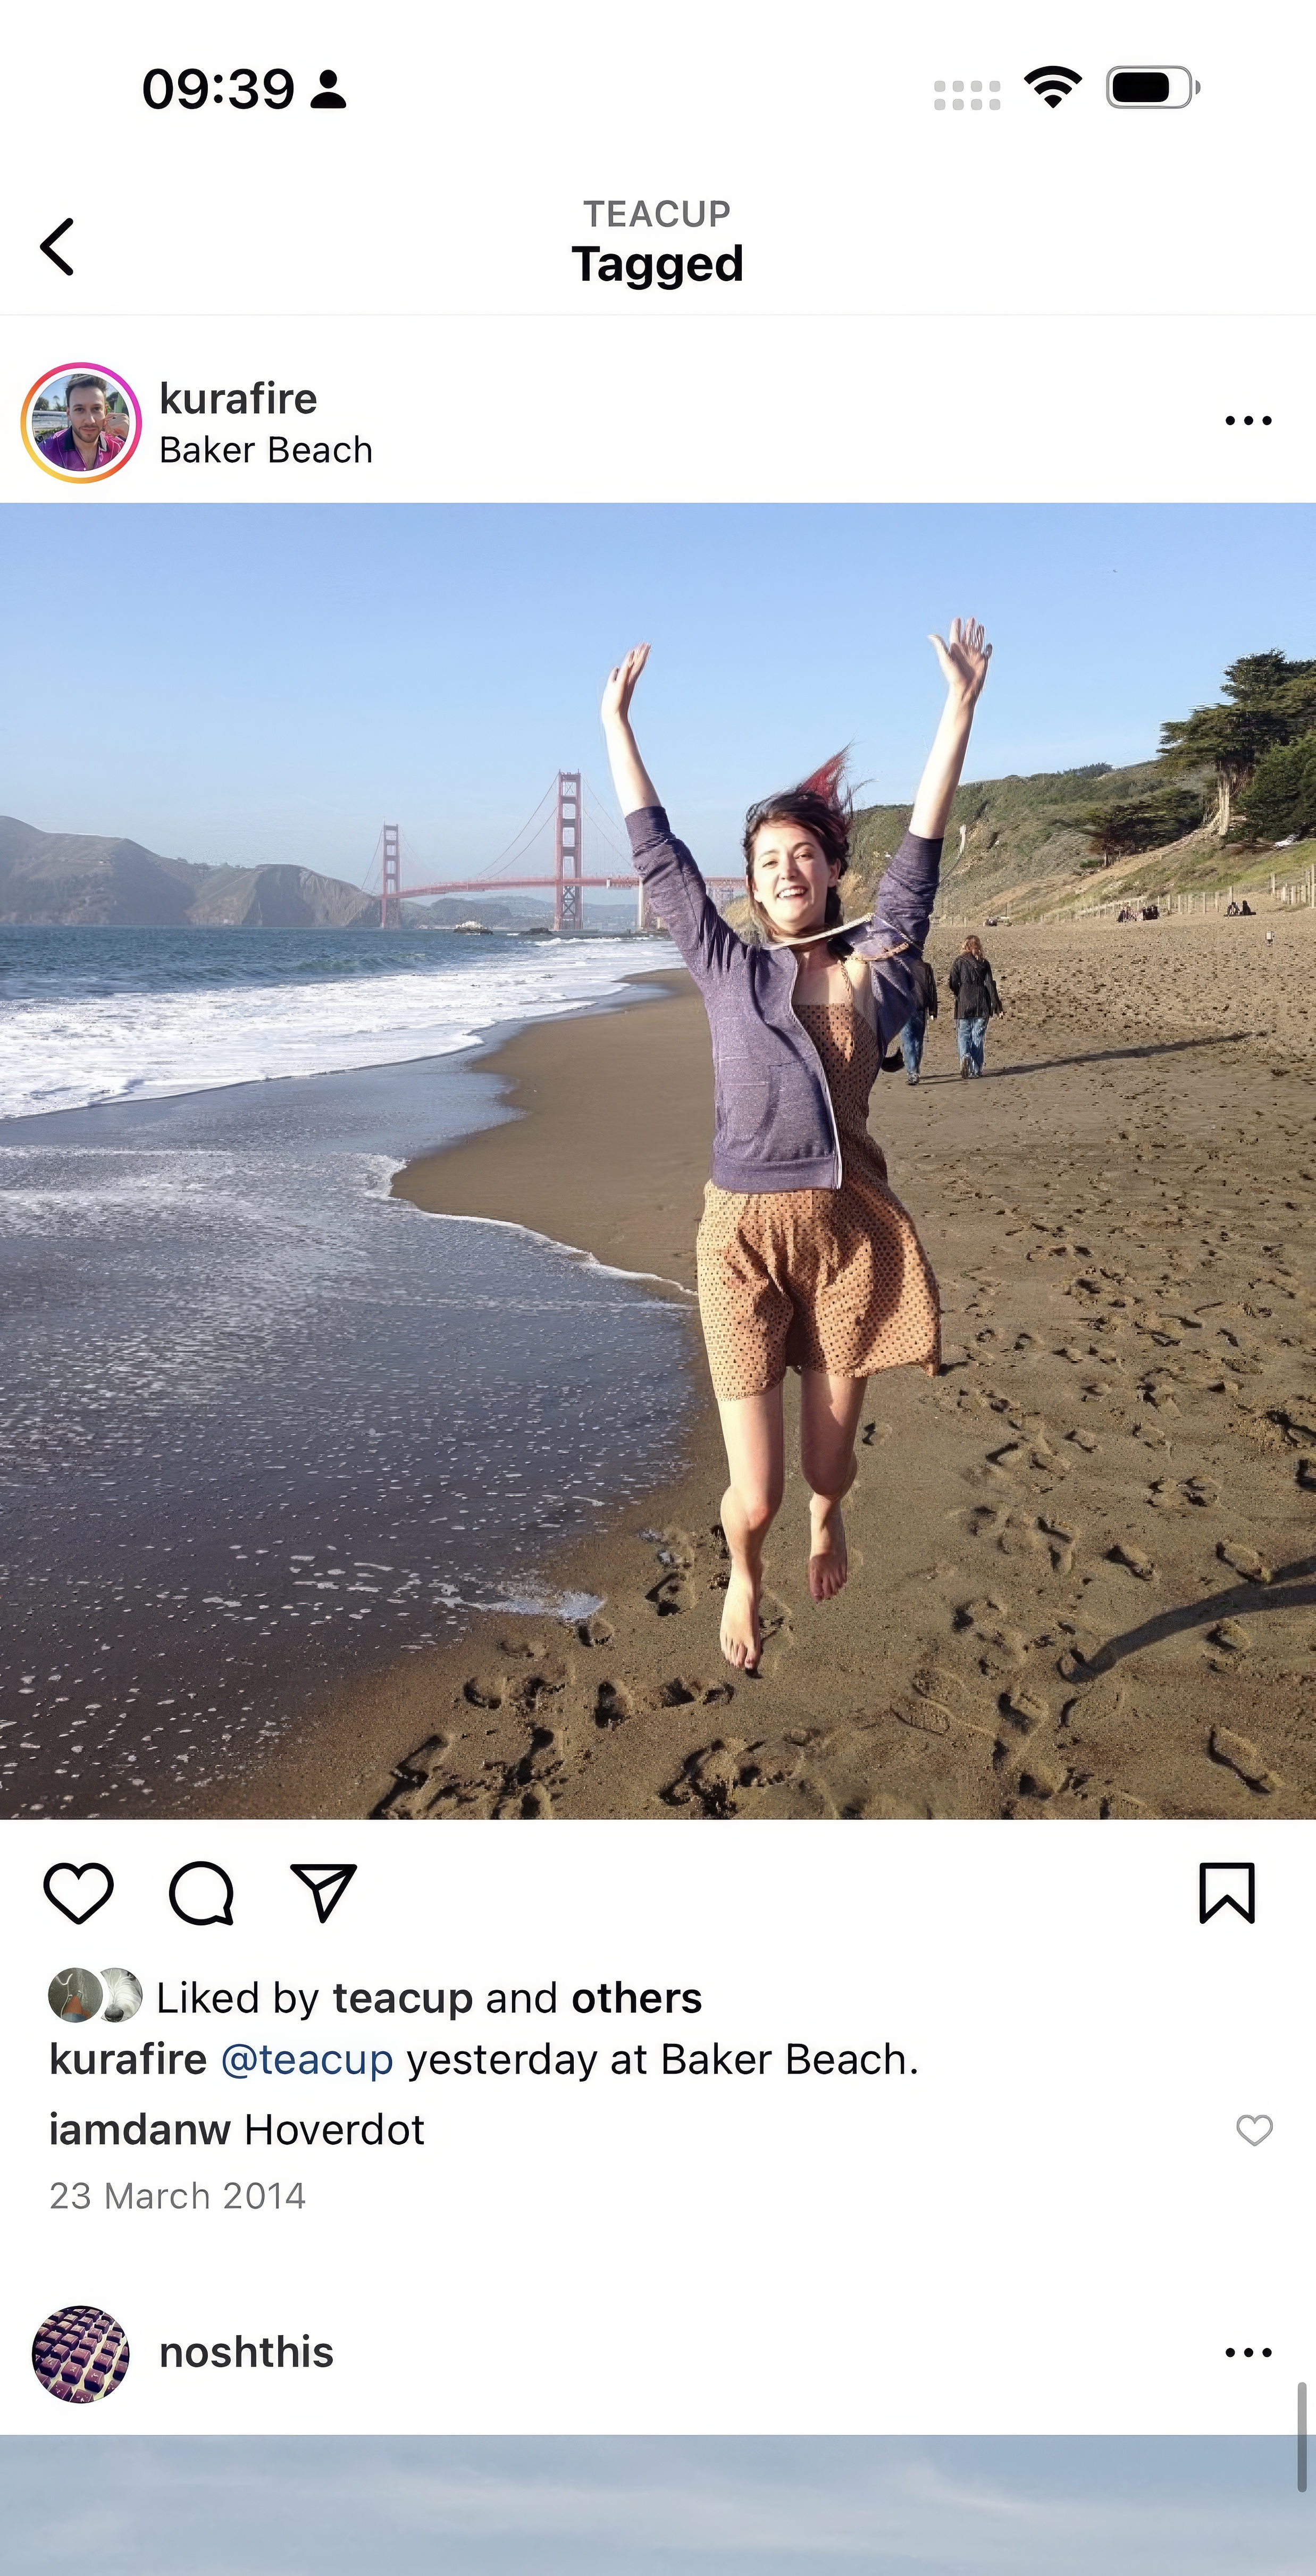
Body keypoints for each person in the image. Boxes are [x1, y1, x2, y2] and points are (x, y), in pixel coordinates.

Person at [601, 618, 993, 1670]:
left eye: (803, 855)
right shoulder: (726, 966)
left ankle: (831, 1518)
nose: (786, 869)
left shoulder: (880, 970)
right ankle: (745, 1571)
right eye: (767, 858)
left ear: (829, 873)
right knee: (758, 1492)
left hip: (844, 1239)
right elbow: (657, 853)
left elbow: (919, 855)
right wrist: (615, 724)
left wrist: (957, 711)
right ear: (752, 878)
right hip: (738, 1241)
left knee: (825, 1472)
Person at [36, 375, 127, 473]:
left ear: (104, 412)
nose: (90, 420)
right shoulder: (47, 451)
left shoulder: (119, 448)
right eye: (80, 409)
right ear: (69, 413)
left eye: (96, 409)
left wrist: (132, 436)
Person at [947, 934, 1003, 1077]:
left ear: (965, 947)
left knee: (963, 1036)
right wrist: (997, 1005)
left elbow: (953, 983)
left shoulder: (958, 961)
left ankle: (965, 1057)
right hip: (981, 1004)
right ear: (978, 948)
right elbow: (990, 985)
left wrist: (960, 994)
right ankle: (976, 1070)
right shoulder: (985, 964)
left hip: (964, 1004)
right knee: (978, 1038)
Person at [892, 953, 938, 1083]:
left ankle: (913, 1072)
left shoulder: (901, 967)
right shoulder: (926, 968)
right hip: (920, 1007)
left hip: (906, 1007)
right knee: (918, 1041)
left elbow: (896, 990)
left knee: (908, 1041)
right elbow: (932, 990)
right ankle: (915, 1071)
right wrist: (933, 1010)